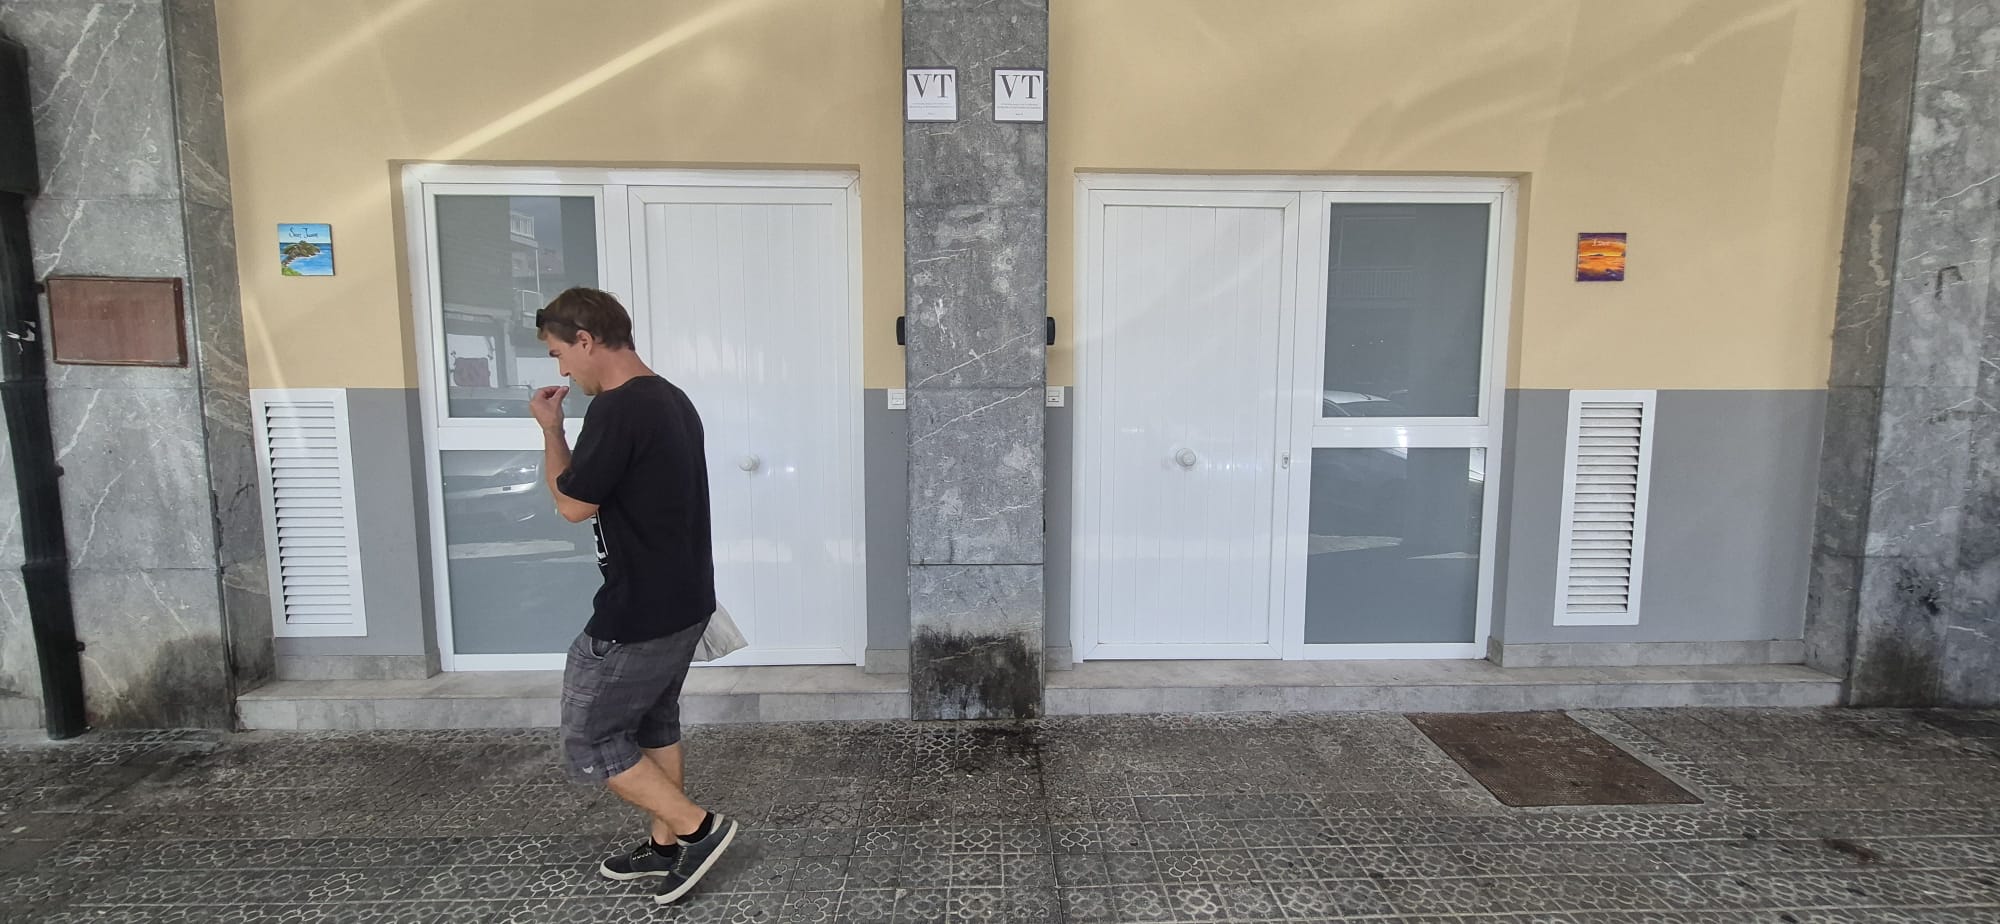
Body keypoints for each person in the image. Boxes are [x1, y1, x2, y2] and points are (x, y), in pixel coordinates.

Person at [528, 287, 738, 905]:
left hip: (639, 609)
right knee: (653, 723)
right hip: (684, 599)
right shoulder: (671, 397)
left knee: (591, 737)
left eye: (559, 352)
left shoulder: (619, 409)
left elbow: (571, 503)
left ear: (586, 341)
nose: (561, 369)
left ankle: (698, 829)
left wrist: (550, 430)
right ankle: (665, 844)